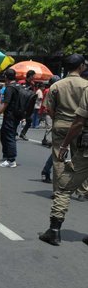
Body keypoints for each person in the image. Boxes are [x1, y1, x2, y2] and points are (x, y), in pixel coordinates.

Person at [39, 54, 88, 245]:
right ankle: (83, 188)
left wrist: (65, 141)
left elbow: (49, 109)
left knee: (63, 170)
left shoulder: (56, 86)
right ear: (81, 66)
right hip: (81, 131)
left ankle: (54, 229)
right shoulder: (85, 85)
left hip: (65, 126)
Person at [0, 68, 19, 167]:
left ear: (6, 77)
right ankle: (6, 155)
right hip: (16, 115)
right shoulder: (17, 86)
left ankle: (11, 160)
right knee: (3, 134)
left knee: (9, 137)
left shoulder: (10, 88)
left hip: (10, 115)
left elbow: (5, 103)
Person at [18, 70, 37, 140]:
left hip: (28, 106)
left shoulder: (32, 84)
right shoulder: (21, 82)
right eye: (34, 75)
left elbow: (33, 95)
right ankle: (13, 133)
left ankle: (23, 133)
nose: (35, 77)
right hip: (21, 104)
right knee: (17, 119)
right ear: (31, 75)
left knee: (29, 120)